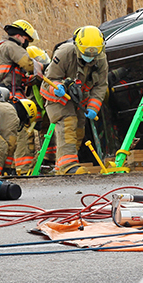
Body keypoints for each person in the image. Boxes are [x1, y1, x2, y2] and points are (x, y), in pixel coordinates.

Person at [40, 26, 108, 175]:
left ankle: (63, 164)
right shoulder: (64, 53)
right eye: (86, 53)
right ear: (78, 47)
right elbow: (50, 79)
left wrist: (93, 107)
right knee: (68, 123)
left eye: (94, 53)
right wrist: (58, 87)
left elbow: (100, 86)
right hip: (58, 97)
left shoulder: (101, 58)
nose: (91, 56)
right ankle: (68, 166)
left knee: (78, 130)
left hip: (79, 99)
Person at [0, 20, 45, 174]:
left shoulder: (0, 47)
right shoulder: (11, 46)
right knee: (23, 132)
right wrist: (46, 66)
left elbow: (15, 75)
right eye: (27, 40)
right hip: (14, 97)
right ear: (21, 36)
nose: (27, 43)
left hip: (4, 95)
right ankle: (24, 168)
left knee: (10, 132)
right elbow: (29, 65)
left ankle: (11, 167)